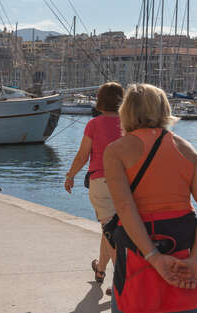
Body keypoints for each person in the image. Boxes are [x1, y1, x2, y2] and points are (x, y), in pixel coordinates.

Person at [104, 83, 197, 313]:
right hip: (182, 252)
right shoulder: (187, 150)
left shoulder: (116, 151)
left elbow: (125, 206)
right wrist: (196, 260)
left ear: (125, 111)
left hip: (138, 252)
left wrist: (154, 257)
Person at [64, 82, 124, 286]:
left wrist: (70, 175)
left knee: (111, 232)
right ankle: (100, 270)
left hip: (101, 183)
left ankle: (120, 285)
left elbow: (82, 155)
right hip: (126, 184)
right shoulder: (129, 124)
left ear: (100, 101)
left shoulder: (94, 124)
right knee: (110, 230)